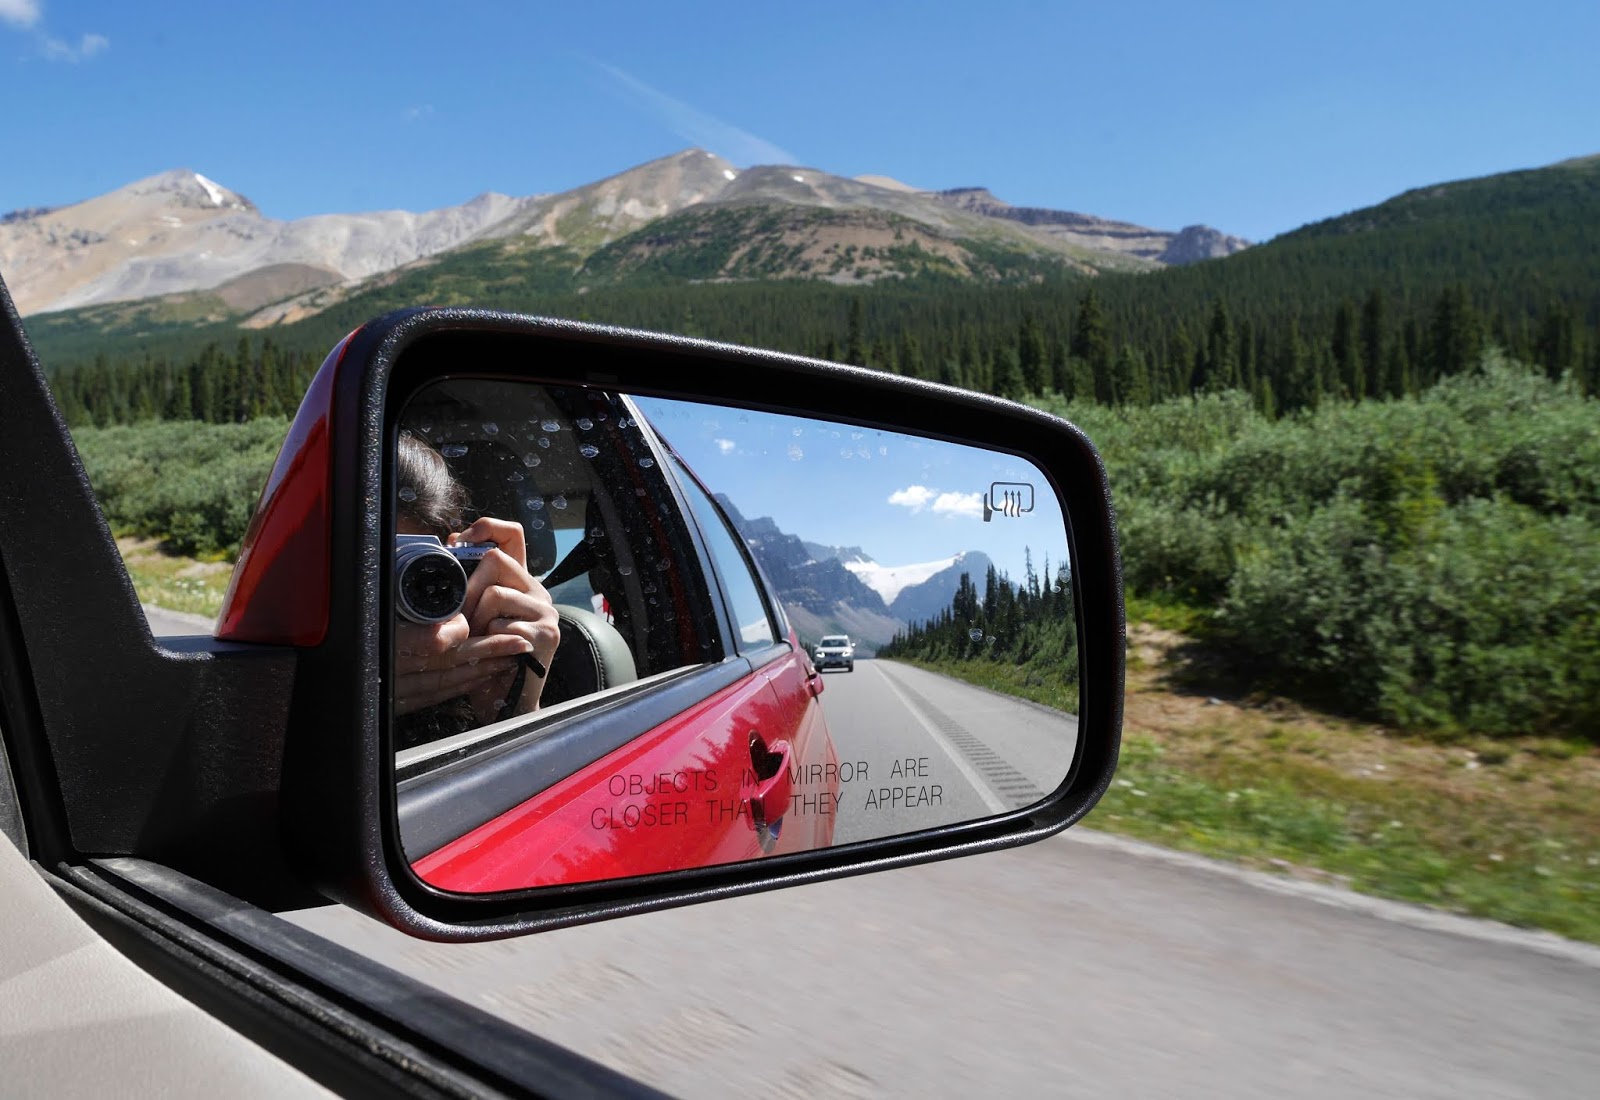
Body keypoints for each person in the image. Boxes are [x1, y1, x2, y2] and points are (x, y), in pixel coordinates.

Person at [393, 431, 560, 748]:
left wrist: (514, 704)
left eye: (425, 580)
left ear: (459, 569)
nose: (400, 602)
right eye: (365, 577)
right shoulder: (284, 679)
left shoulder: (474, 661)